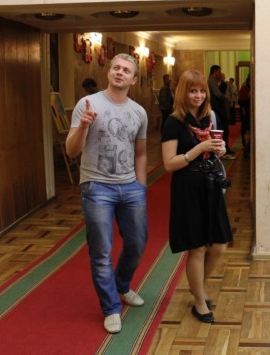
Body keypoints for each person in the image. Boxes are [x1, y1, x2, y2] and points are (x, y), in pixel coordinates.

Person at [66, 53, 149, 334]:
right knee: (101, 252)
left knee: (137, 243)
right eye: (116, 67)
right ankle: (111, 307)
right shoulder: (88, 104)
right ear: (109, 72)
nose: (119, 72)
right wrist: (84, 125)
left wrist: (140, 186)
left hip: (130, 187)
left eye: (126, 70)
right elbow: (71, 151)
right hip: (96, 187)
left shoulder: (139, 112)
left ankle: (122, 285)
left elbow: (140, 153)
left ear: (133, 79)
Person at [161, 69, 233, 324]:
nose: (198, 95)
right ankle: (199, 302)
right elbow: (169, 164)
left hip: (209, 186)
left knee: (220, 246)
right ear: (183, 92)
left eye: (202, 91)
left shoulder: (207, 119)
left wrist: (219, 150)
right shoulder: (173, 123)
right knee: (198, 248)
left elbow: (213, 152)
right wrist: (197, 149)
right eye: (193, 91)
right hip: (187, 188)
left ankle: (197, 287)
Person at [208, 65, 234, 158]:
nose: (220, 73)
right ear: (215, 71)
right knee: (222, 129)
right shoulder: (212, 81)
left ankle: (225, 148)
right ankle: (223, 149)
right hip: (216, 108)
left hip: (217, 108)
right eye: (219, 71)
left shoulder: (214, 81)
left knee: (223, 128)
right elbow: (217, 94)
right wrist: (225, 97)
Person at [238, 76, 251, 156]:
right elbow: (241, 100)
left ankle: (247, 147)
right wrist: (243, 110)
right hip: (245, 111)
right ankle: (245, 145)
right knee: (245, 127)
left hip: (250, 110)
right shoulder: (245, 87)